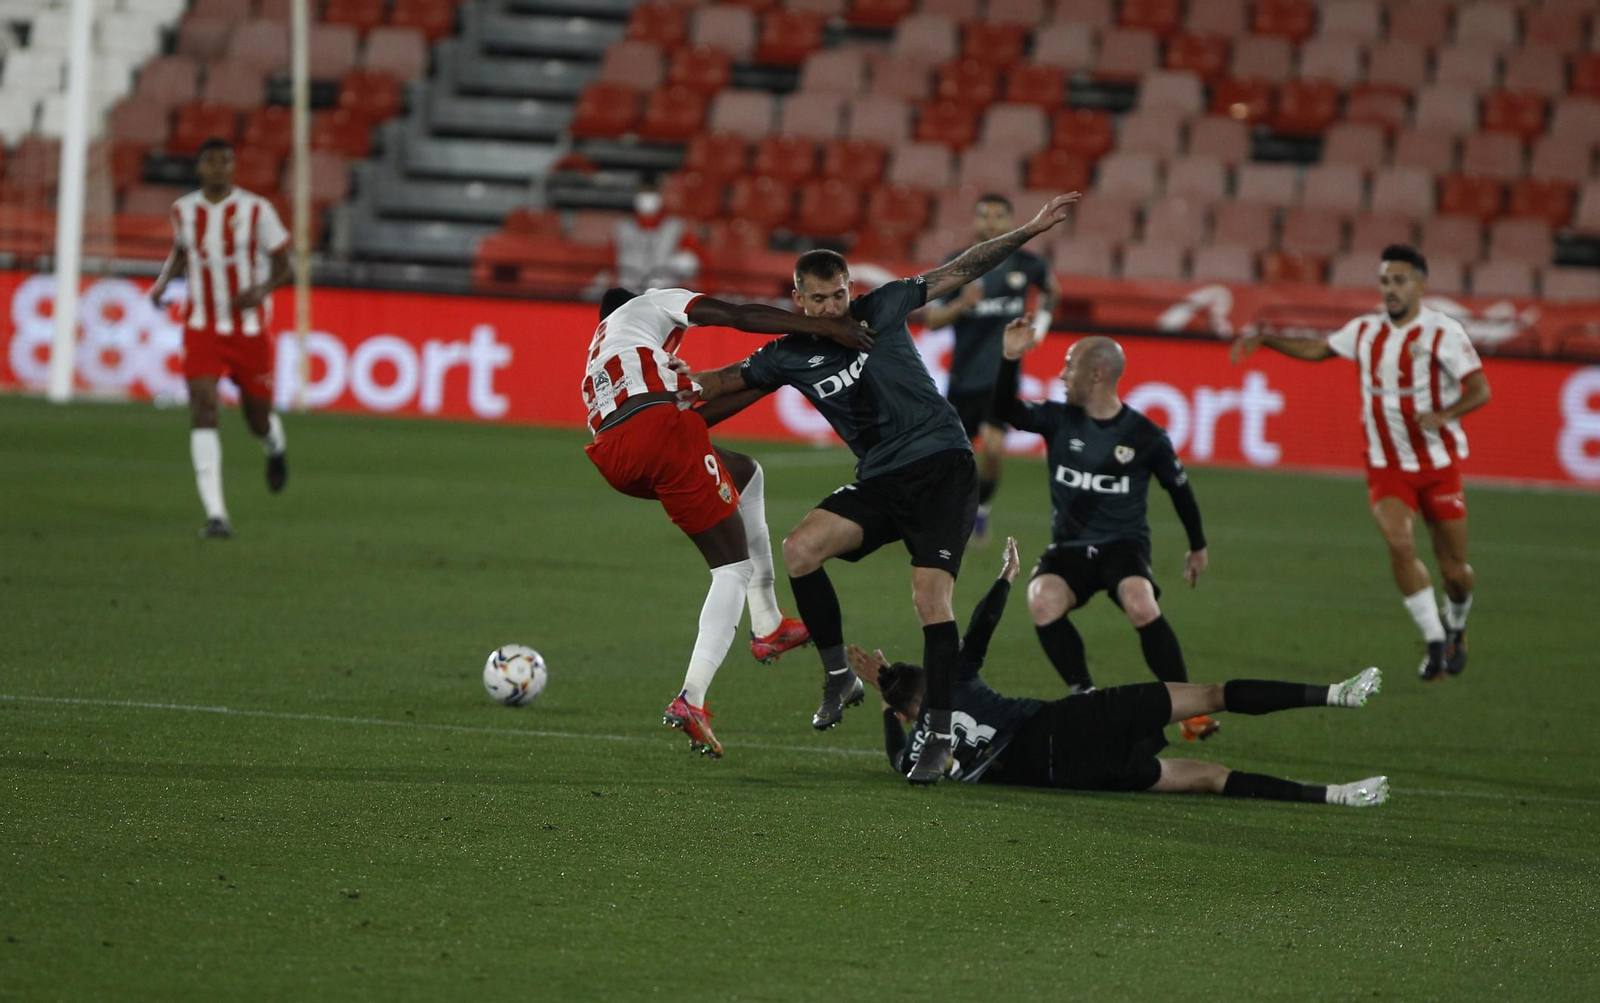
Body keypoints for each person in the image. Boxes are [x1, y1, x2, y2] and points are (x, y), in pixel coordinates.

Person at [690, 192, 1081, 785]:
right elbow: (718, 383)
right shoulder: (789, 353)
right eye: (818, 299)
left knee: (930, 599)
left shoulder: (883, 307)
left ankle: (940, 732)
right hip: (880, 479)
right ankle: (838, 675)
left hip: (943, 467)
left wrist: (1029, 228)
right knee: (800, 551)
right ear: (797, 300)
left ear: (851, 289)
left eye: (839, 294)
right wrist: (647, 394)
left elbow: (962, 268)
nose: (832, 307)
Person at [851, 536, 1389, 805]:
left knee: (1209, 778)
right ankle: (1336, 693)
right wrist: (1007, 577)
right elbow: (980, 631)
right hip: (1073, 723)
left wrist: (885, 708)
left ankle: (1334, 795)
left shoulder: (921, 752)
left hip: (1069, 776)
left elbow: (899, 757)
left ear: (902, 713)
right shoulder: (955, 682)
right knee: (1211, 694)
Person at [582, 285, 872, 758]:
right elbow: (737, 314)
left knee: (745, 474)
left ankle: (768, 622)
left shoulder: (606, 353)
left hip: (617, 456)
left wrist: (773, 374)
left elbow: (686, 418)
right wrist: (821, 326)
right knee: (730, 569)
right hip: (657, 431)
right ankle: (691, 698)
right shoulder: (649, 303)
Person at [1231, 245, 1491, 681]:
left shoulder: (1444, 333)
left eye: (1399, 280)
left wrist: (1445, 415)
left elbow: (1480, 389)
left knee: (1455, 572)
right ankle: (1433, 641)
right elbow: (1319, 349)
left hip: (1438, 464)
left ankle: (1457, 627)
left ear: (1421, 284)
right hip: (1385, 463)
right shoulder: (1366, 330)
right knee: (1398, 541)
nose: (1390, 289)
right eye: (1385, 280)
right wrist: (1268, 339)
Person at [991, 318, 1220, 741]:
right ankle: (1086, 695)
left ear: (1096, 373)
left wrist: (1198, 546)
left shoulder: (1146, 435)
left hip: (1123, 546)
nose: (1061, 374)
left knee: (1140, 601)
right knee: (1041, 600)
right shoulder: (1058, 419)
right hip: (1070, 548)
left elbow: (1179, 490)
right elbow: (1006, 409)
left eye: (1069, 365)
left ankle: (1191, 711)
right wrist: (1009, 357)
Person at [149, 136, 292, 539]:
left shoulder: (257, 211)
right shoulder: (184, 210)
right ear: (199, 168)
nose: (218, 168)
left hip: (248, 331)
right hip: (202, 327)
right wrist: (163, 285)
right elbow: (183, 250)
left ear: (233, 167)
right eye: (210, 162)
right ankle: (216, 515)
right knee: (203, 406)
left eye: (225, 161)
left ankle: (274, 447)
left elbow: (286, 266)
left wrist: (261, 291)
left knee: (257, 417)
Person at [920, 193, 1060, 544]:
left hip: (1001, 377)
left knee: (994, 450)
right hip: (963, 378)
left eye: (999, 216)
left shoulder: (1027, 264)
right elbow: (932, 320)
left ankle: (981, 509)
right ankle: (956, 512)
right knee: (955, 458)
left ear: (1010, 220)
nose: (991, 222)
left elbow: (1051, 292)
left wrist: (1040, 328)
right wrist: (962, 306)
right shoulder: (956, 264)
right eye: (984, 215)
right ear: (976, 221)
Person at [612, 183, 702, 292]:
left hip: (666, 290)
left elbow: (691, 261)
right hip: (629, 290)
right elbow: (609, 258)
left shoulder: (676, 227)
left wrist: (685, 262)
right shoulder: (622, 228)